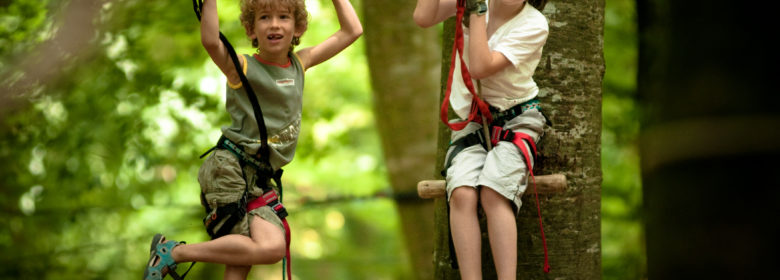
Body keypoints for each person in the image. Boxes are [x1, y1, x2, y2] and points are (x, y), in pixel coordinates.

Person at [143, 0, 362, 279]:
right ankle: (174, 253)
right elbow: (211, 41)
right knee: (255, 250)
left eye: (284, 17)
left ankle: (171, 254)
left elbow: (351, 30)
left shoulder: (300, 64)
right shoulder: (242, 67)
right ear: (250, 29)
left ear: (299, 27)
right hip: (230, 167)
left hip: (259, 178)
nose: (274, 24)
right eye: (264, 18)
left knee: (262, 251)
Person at [413, 0, 549, 279]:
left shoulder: (534, 24)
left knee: (494, 191)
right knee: (461, 193)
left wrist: (475, 12)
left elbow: (479, 66)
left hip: (517, 118)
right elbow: (423, 17)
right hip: (473, 121)